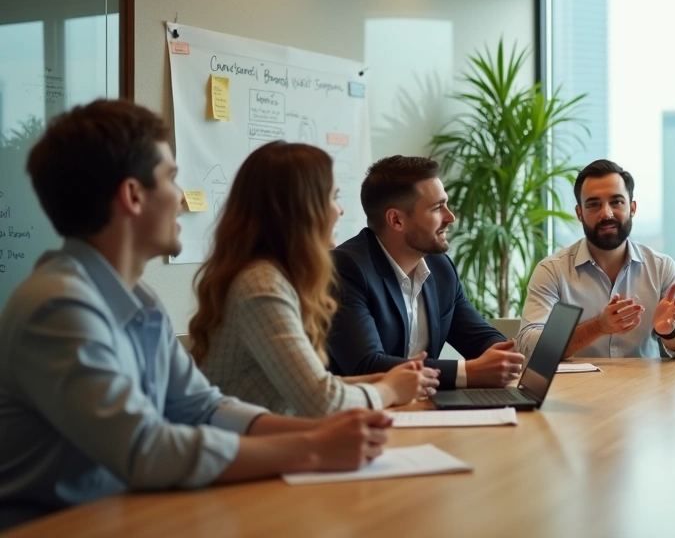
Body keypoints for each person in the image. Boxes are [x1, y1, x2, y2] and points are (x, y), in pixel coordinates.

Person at [0, 100, 390, 530]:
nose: (183, 198)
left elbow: (201, 407)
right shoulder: (59, 307)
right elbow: (145, 450)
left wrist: (313, 437)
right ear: (132, 196)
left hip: (126, 515)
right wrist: (311, 449)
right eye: (171, 178)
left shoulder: (139, 299)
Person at [189, 142, 439, 417]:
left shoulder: (275, 278)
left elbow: (315, 386)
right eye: (334, 197)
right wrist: (389, 390)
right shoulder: (261, 285)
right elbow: (321, 400)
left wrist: (386, 380)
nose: (339, 211)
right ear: (301, 209)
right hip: (245, 453)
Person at [328, 156, 523, 389]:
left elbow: (479, 338)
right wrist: (467, 372)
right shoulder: (345, 269)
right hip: (361, 416)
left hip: (422, 410)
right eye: (437, 208)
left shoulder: (440, 268)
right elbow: (366, 365)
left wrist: (501, 355)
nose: (450, 217)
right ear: (396, 220)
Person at [516, 160, 675, 359]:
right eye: (593, 205)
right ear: (579, 213)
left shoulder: (661, 268)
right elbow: (528, 346)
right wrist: (598, 327)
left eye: (616, 202)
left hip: (645, 388)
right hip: (573, 389)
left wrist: (670, 332)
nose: (606, 213)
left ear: (632, 208)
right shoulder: (552, 271)